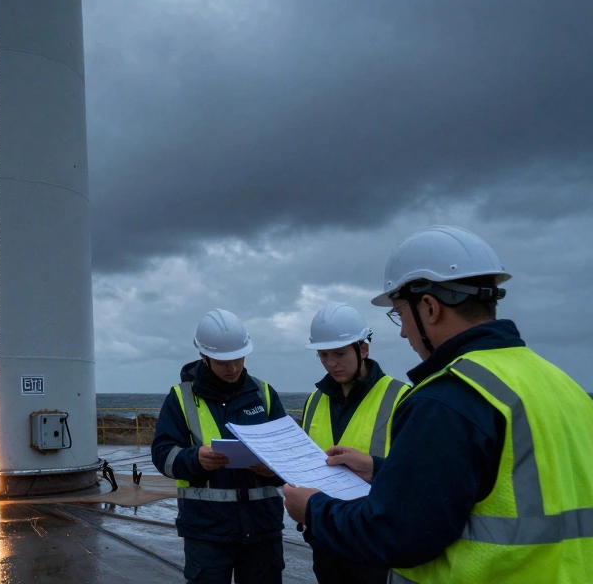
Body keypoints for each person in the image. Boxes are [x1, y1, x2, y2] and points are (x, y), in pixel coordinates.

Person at [283, 225, 593, 583]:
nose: (402, 332)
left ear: (429, 308)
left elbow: (400, 534)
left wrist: (314, 510)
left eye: (400, 314)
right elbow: (498, 481)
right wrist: (381, 469)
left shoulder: (447, 398)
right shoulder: (559, 383)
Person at [152, 308, 289, 584]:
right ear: (203, 356)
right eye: (223, 361)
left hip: (262, 530)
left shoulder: (264, 394)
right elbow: (162, 454)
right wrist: (195, 460)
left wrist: (272, 468)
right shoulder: (181, 398)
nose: (233, 368)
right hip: (207, 532)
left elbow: (288, 454)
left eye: (238, 358)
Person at [299, 301, 409, 584]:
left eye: (339, 353)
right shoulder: (314, 401)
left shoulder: (400, 398)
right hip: (325, 539)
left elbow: (414, 475)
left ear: (364, 349)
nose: (331, 363)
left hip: (373, 542)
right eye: (323, 355)